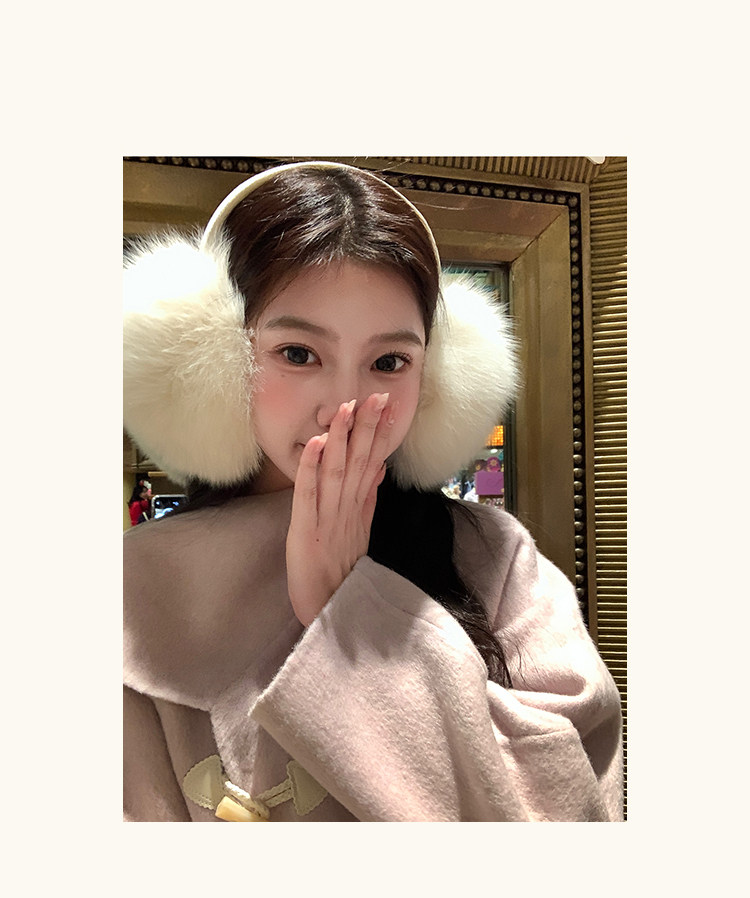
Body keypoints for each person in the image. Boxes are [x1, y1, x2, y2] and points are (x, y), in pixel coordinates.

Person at [123, 161, 623, 822]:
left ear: (435, 378)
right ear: (208, 360)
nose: (345, 406)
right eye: (297, 353)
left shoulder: (499, 560)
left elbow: (571, 814)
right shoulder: (135, 587)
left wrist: (350, 610)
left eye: (389, 362)